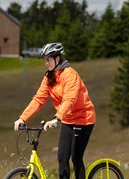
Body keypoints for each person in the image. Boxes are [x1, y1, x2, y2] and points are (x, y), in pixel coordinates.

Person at [13, 42, 96, 179]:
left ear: (58, 59)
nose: (46, 63)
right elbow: (38, 99)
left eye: (48, 60)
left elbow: (69, 100)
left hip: (83, 118)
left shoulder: (70, 74)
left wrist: (56, 118)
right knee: (62, 158)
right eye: (44, 60)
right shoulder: (49, 77)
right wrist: (23, 118)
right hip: (68, 119)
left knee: (76, 158)